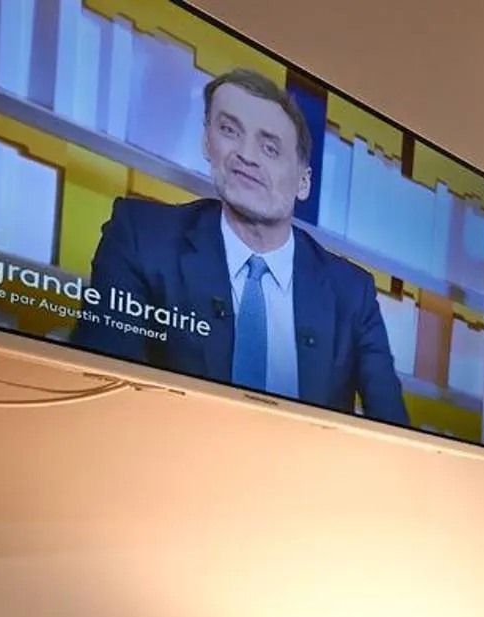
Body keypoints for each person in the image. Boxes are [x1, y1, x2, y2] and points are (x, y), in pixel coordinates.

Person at [73, 68, 409, 425]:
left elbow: (393, 428)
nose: (246, 156)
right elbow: (101, 398)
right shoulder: (141, 237)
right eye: (229, 131)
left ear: (304, 182)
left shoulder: (352, 292)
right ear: (207, 143)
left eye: (269, 147)